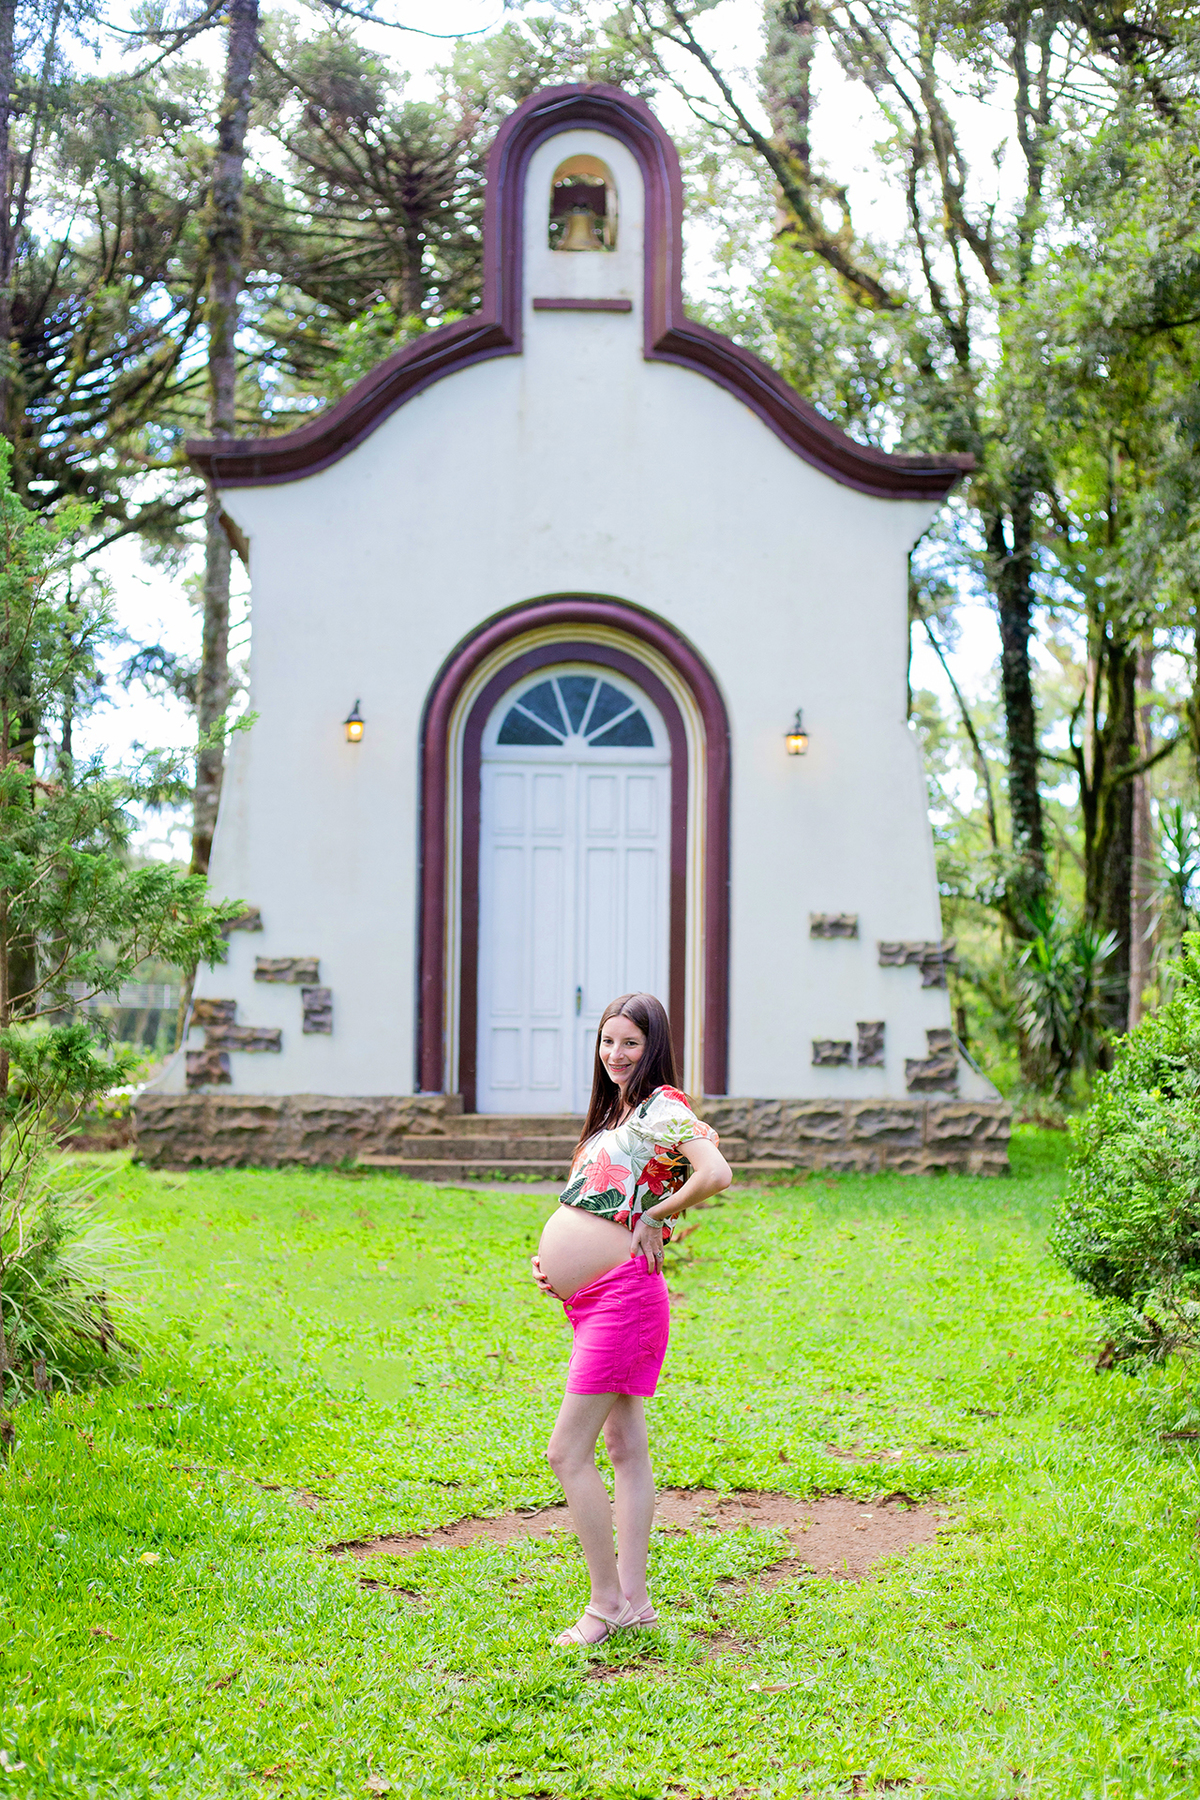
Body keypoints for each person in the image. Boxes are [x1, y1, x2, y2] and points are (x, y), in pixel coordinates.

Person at [531, 992, 732, 1646]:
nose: (616, 1054)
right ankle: (635, 1603)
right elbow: (593, 1204)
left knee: (567, 1452)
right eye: (607, 1041)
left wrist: (656, 1214)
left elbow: (716, 1171)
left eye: (630, 1043)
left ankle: (606, 1604)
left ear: (653, 1048)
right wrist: (552, 1265)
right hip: (593, 1299)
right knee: (624, 1450)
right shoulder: (614, 1116)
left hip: (624, 1298)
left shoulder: (662, 1107)